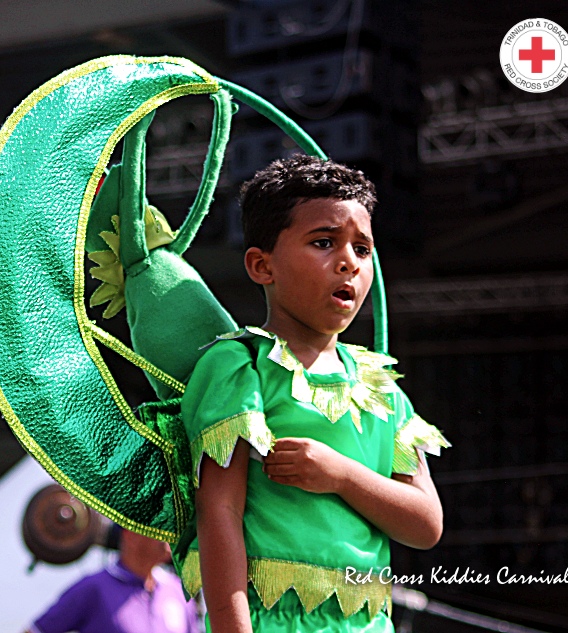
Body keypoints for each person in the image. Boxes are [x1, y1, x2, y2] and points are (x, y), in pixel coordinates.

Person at [178, 155, 449, 632]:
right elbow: (219, 512)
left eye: (362, 250)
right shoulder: (240, 366)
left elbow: (425, 525)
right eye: (324, 242)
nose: (348, 262)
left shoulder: (379, 386)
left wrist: (342, 475)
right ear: (262, 266)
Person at [27, 529, 200, 633]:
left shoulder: (178, 590)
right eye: (159, 527)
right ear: (130, 535)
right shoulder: (93, 588)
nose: (169, 534)